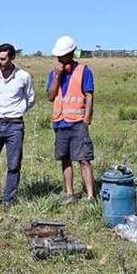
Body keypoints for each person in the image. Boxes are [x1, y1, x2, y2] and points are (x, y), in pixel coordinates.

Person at [0, 43, 35, 209]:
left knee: (14, 165)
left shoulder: (23, 76)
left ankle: (8, 200)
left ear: (12, 58)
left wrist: (19, 110)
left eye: (3, 59)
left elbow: (31, 98)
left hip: (15, 125)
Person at [46, 35, 95, 204]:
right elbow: (50, 96)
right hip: (60, 122)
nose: (59, 59)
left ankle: (90, 196)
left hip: (78, 122)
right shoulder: (54, 74)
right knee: (64, 159)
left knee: (84, 159)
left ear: (71, 53)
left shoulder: (84, 71)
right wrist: (57, 76)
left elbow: (89, 96)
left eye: (63, 55)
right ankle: (69, 194)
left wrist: (87, 119)